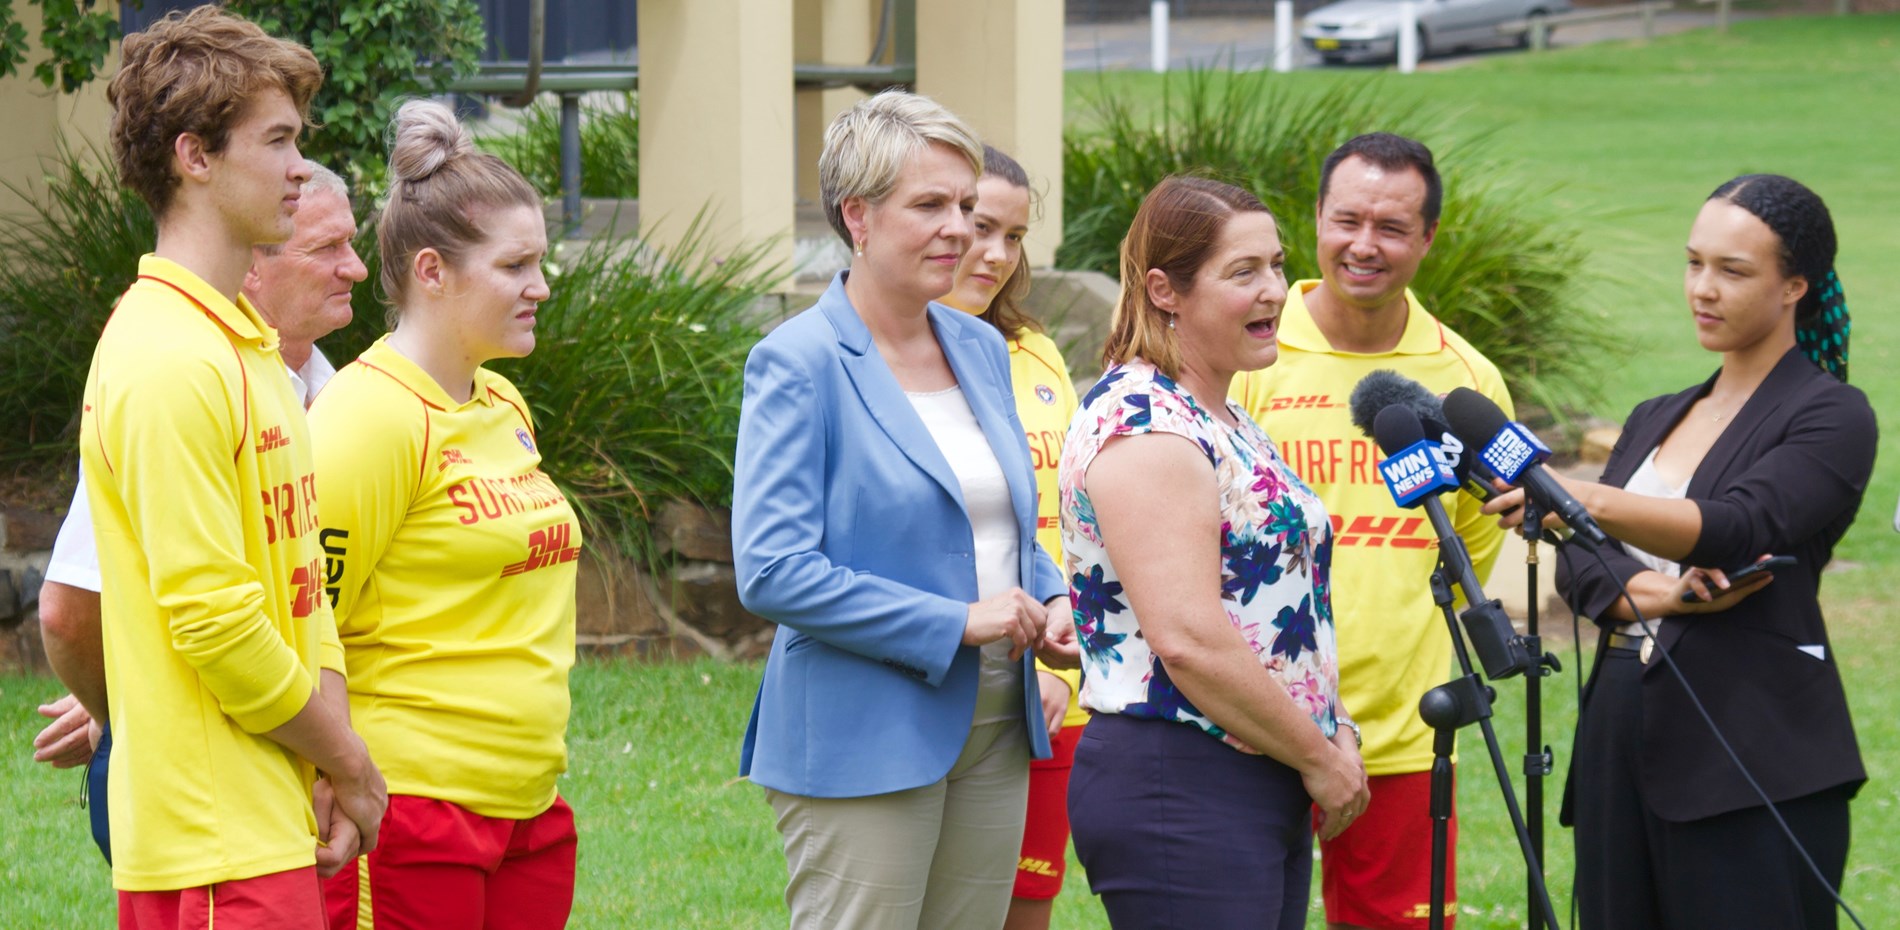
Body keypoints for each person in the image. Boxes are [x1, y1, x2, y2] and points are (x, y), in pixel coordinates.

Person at [731, 89, 1078, 930]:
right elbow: (773, 571)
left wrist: (1053, 592)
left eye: (965, 205)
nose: (960, 229)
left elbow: (1000, 521)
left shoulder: (980, 347)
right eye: (930, 205)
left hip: (997, 722)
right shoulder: (797, 363)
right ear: (858, 217)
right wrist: (958, 621)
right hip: (863, 732)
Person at [1488, 174, 1873, 929]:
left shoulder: (1832, 416)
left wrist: (1580, 495)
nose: (1703, 288)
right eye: (1694, 263)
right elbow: (1580, 560)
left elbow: (1740, 524)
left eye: (1733, 271)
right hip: (1620, 733)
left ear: (1795, 284)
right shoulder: (1657, 414)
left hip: (1753, 749)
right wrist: (1651, 591)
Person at [79, 7, 385, 926]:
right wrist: (354, 764)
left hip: (271, 825)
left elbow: (302, 589)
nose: (300, 167)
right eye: (280, 140)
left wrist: (326, 764)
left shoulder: (247, 342)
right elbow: (216, 623)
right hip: (210, 853)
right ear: (194, 156)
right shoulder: (167, 355)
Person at [33, 162, 369, 867]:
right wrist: (127, 712)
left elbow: (315, 603)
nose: (357, 269)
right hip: (219, 804)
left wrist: (330, 757)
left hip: (302, 772)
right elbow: (69, 609)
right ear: (253, 266)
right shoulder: (180, 373)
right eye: (327, 249)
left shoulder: (341, 398)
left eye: (352, 243)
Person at [1059, 175, 1369, 927]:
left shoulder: (1218, 412)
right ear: (1166, 289)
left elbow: (1271, 607)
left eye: (1275, 264)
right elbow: (1190, 639)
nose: (1273, 291)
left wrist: (1333, 729)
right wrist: (1323, 759)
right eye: (1243, 273)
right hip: (1180, 778)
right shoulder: (1146, 424)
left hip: (1259, 767)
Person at [1230, 132, 1513, 930]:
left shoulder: (1465, 379)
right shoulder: (1245, 352)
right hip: (1251, 725)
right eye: (1346, 219)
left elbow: (1467, 556)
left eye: (1392, 228)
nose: (1364, 245)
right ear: (1316, 219)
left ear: (1427, 239)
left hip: (1407, 732)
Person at [309, 99, 580, 930]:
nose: (541, 286)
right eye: (516, 266)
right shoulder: (369, 415)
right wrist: (340, 773)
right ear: (432, 271)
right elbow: (306, 614)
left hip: (529, 803)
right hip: (412, 811)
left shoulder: (502, 399)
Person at [935, 145, 1085, 930]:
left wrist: (1070, 668)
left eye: (1015, 236)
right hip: (948, 681)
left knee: (1027, 906)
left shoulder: (1038, 353)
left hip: (1052, 681)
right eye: (980, 226)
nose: (994, 254)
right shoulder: (898, 355)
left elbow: (1066, 518)